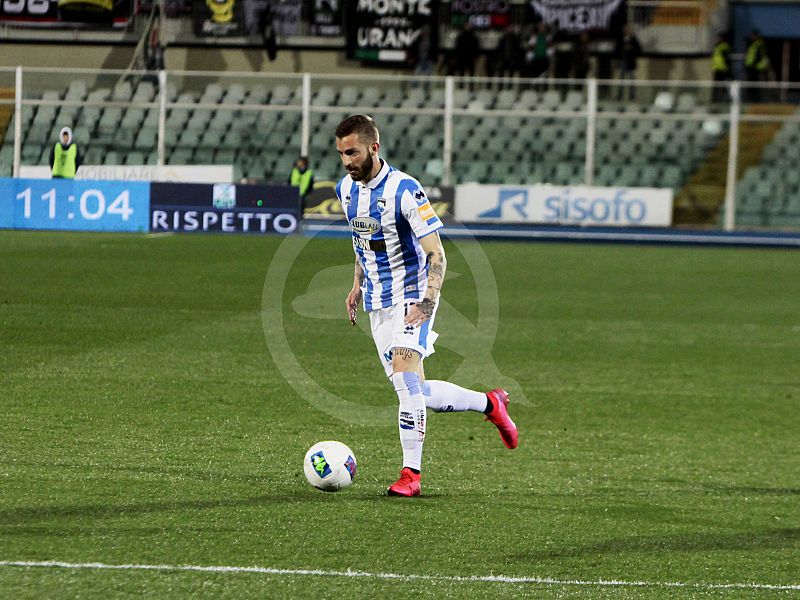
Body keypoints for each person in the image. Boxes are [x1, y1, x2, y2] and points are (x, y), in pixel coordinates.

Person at [334, 115, 518, 498]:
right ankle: (490, 403)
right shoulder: (346, 190)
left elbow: (438, 254)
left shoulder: (405, 189)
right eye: (340, 154)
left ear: (373, 147)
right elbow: (362, 240)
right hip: (378, 302)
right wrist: (356, 283)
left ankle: (411, 475)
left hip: (412, 297)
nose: (347, 161)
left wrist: (427, 302)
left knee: (404, 382)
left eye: (352, 152)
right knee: (417, 390)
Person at [615, 24, 641, 100]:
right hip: (622, 63)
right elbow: (616, 51)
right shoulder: (620, 40)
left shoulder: (634, 40)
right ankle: (620, 95)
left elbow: (639, 50)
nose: (626, 31)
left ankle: (632, 96)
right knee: (621, 80)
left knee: (631, 81)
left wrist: (631, 48)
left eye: (628, 29)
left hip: (631, 63)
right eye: (625, 29)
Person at [744, 30, 769, 102]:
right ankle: (751, 99)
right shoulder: (753, 44)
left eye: (753, 35)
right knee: (750, 85)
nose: (751, 37)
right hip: (751, 67)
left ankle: (755, 100)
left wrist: (753, 65)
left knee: (755, 85)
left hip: (756, 68)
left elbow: (759, 56)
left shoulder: (759, 44)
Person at [711, 33, 732, 104]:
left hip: (723, 69)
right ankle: (715, 99)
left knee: (724, 85)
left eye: (720, 37)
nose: (718, 39)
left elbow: (727, 58)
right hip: (717, 68)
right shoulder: (717, 45)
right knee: (716, 85)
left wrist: (727, 68)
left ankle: (727, 99)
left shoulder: (725, 46)